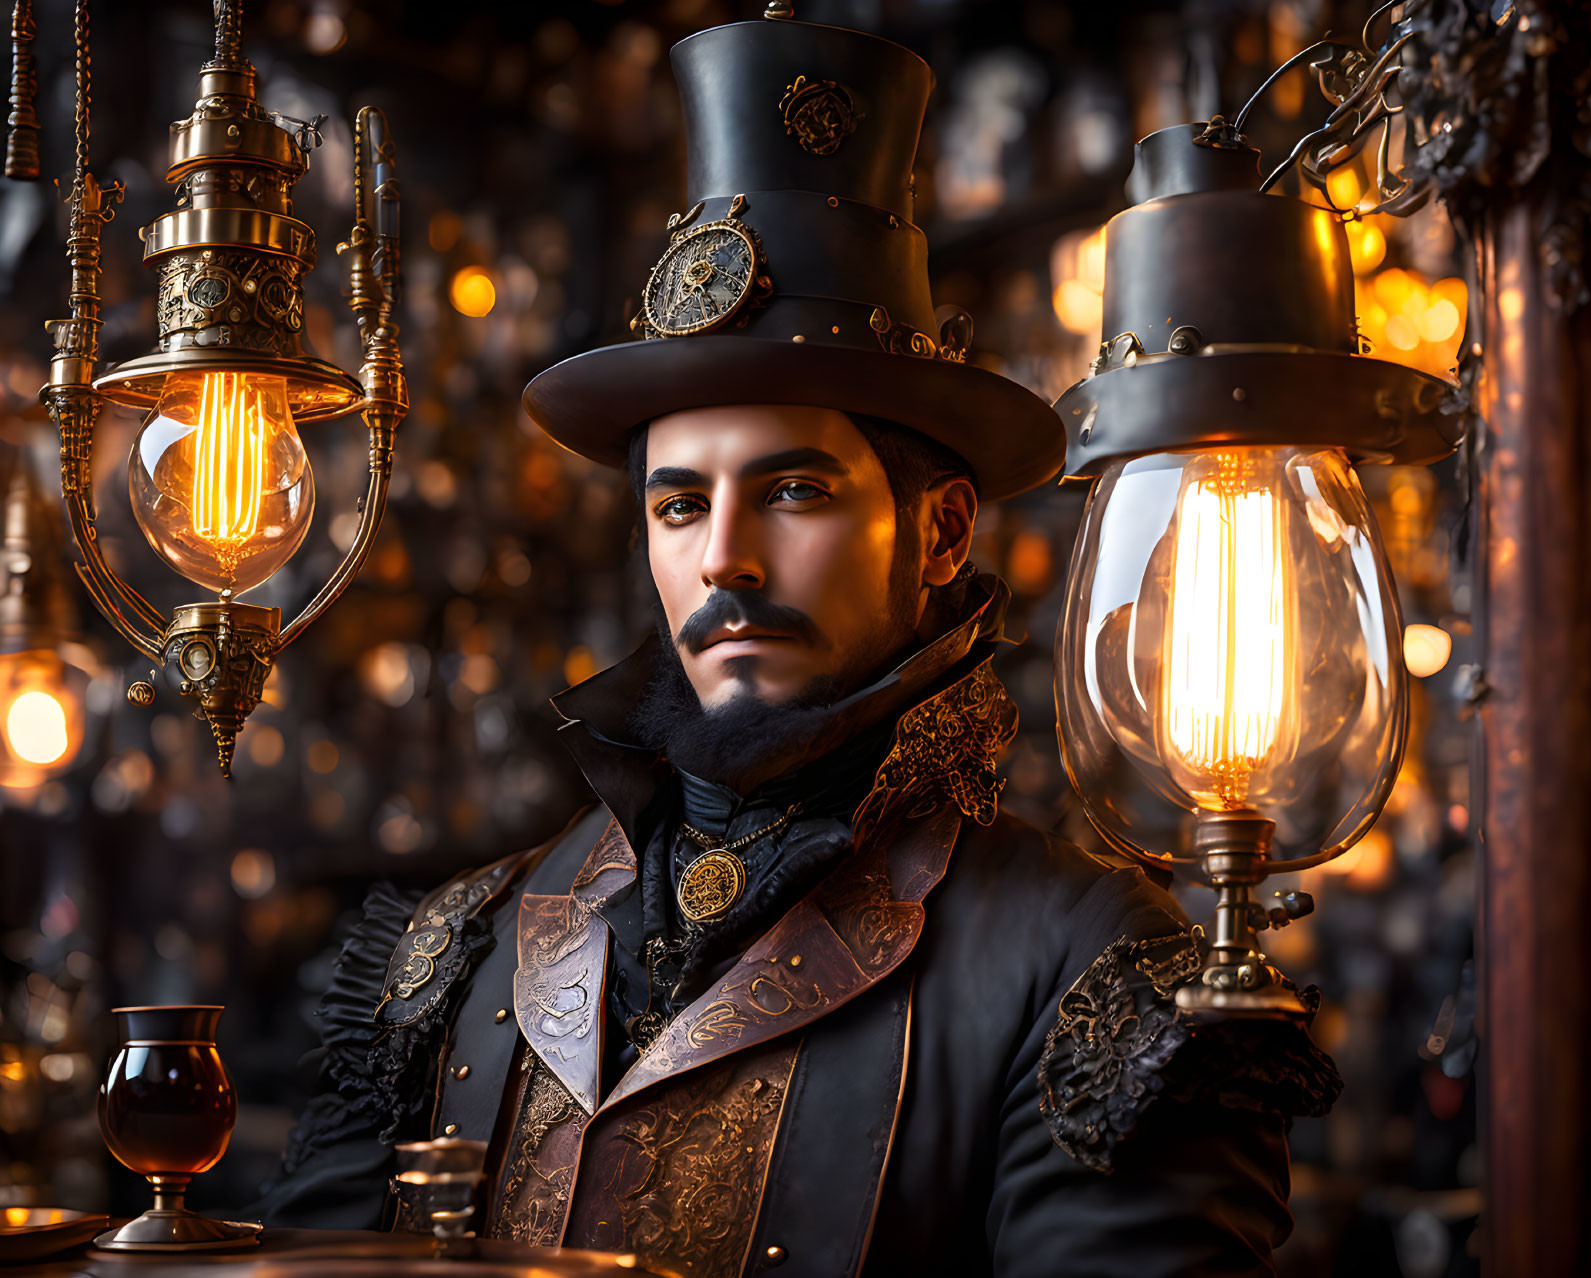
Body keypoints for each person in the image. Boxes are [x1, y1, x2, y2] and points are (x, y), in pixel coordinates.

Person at [256, 9, 1338, 1276]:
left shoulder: (1096, 967)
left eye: (792, 491)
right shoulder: (460, 942)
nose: (722, 556)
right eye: (677, 504)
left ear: (938, 533)